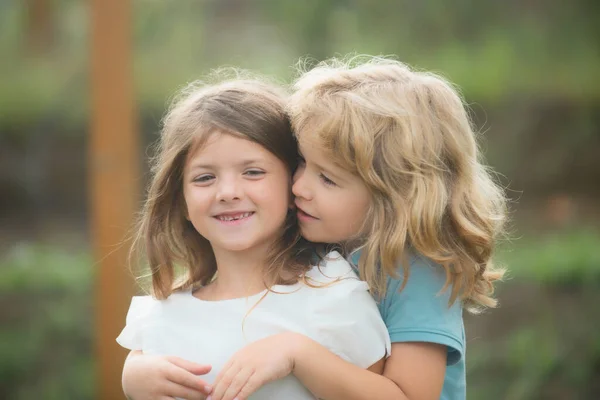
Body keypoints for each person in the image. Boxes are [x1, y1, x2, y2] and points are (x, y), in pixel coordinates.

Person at [123, 56, 507, 400]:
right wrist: (135, 371)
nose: (299, 186)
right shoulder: (319, 248)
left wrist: (297, 353)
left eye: (328, 179)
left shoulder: (417, 275)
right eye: (303, 163)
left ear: (391, 195)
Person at [116, 71, 390, 400]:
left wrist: (297, 356)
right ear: (182, 202)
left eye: (253, 172)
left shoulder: (332, 295)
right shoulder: (163, 314)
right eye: (204, 178)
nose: (228, 192)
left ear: (293, 185)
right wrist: (132, 380)